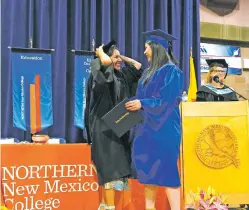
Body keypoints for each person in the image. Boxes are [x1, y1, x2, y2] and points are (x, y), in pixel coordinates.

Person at [125, 29, 183, 210]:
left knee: (167, 171)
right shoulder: (149, 72)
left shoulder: (172, 71)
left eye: (146, 48)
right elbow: (142, 97)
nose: (144, 52)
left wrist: (141, 103)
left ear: (156, 48)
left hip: (164, 128)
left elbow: (166, 100)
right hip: (147, 129)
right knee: (149, 171)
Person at [84, 40, 142, 210]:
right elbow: (105, 63)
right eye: (115, 57)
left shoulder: (120, 75)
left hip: (119, 127)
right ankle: (109, 207)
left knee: (114, 170)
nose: (119, 61)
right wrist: (101, 53)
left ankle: (104, 206)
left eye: (119, 58)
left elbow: (137, 66)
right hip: (103, 129)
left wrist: (119, 56)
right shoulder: (99, 73)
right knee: (110, 171)